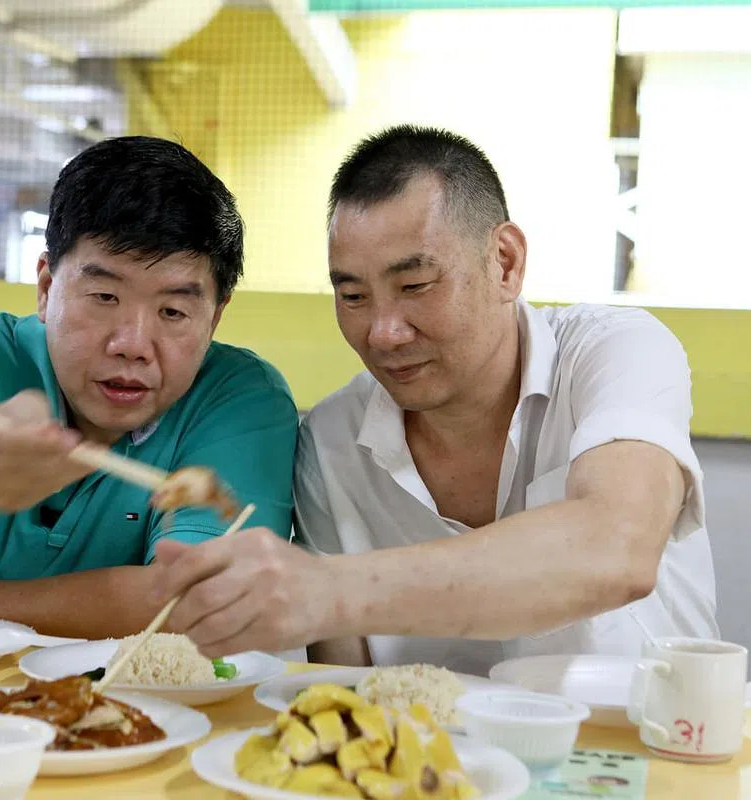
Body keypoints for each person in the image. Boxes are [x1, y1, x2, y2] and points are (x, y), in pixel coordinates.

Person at [152, 125, 718, 673]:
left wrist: (329, 589)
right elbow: (340, 692)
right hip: (431, 767)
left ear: (505, 262)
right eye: (352, 295)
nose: (383, 332)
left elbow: (615, 550)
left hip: (642, 752)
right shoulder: (331, 442)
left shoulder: (615, 353)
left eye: (415, 286)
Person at [0, 136, 299, 639]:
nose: (132, 344)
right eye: (104, 296)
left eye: (172, 311)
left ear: (214, 317)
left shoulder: (237, 398)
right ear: (45, 288)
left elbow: (199, 603)